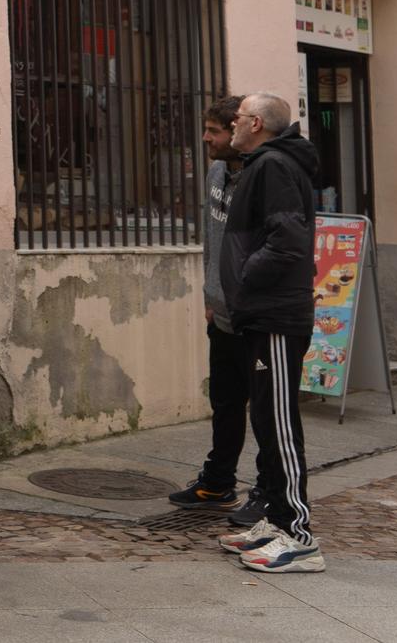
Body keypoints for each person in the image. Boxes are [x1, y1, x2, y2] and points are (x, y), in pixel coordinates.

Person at [216, 92, 326, 574]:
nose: (233, 125)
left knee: (279, 426)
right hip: (263, 314)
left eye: (238, 119)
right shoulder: (266, 163)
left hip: (276, 314)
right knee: (266, 420)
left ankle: (299, 537)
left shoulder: (274, 166)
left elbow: (288, 242)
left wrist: (244, 280)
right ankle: (277, 522)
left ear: (256, 123)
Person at [169, 96, 269, 527]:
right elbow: (212, 234)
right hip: (222, 312)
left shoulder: (263, 175)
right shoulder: (215, 171)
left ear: (237, 130)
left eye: (213, 131)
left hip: (256, 315)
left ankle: (268, 492)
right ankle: (218, 482)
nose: (206, 138)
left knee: (265, 409)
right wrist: (211, 295)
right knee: (225, 401)